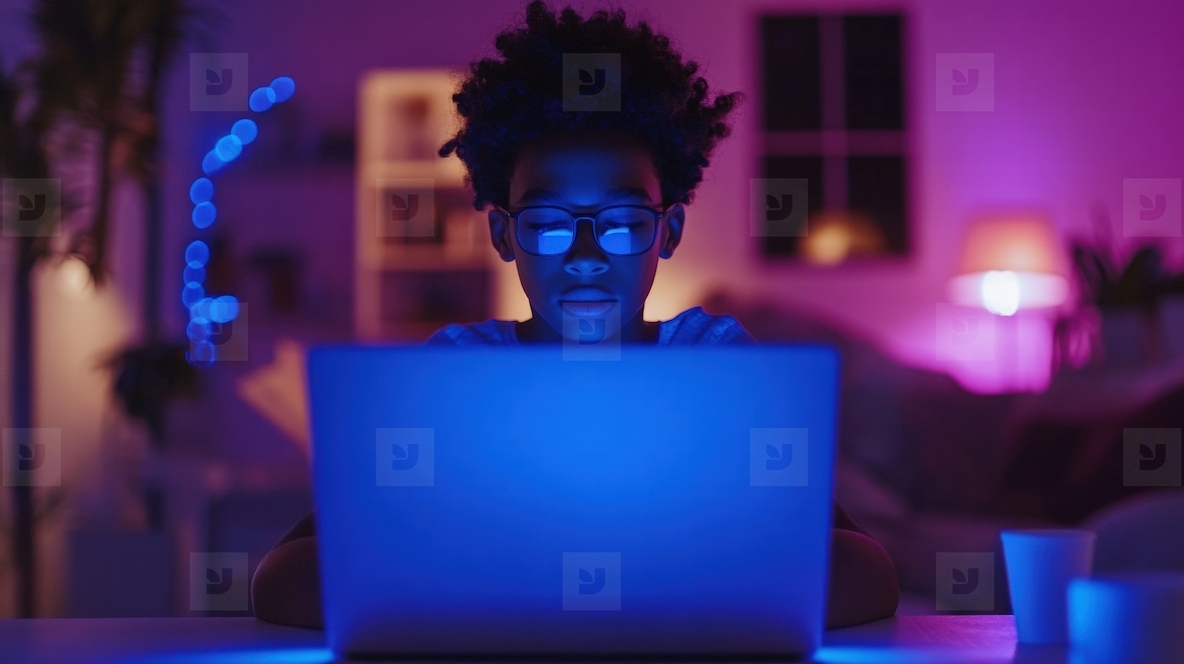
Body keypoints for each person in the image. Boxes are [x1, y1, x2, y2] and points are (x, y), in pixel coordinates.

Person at [252, 0, 898, 630]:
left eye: (619, 223)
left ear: (667, 230)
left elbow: (866, 575)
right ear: (504, 236)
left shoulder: (715, 362)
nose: (586, 255)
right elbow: (284, 582)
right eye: (549, 224)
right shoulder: (456, 372)